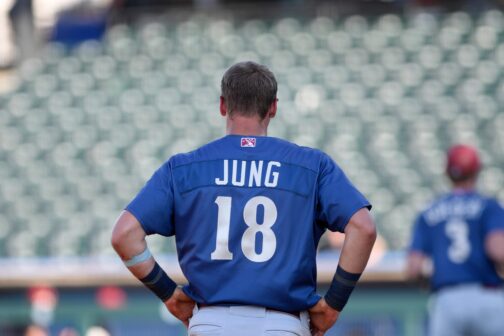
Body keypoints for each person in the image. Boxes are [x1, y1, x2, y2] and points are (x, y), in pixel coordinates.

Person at [111, 61, 376, 336]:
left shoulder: (184, 167)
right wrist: (333, 304)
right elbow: (363, 227)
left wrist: (169, 294)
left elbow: (124, 234)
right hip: (282, 324)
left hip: (210, 322)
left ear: (223, 106)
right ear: (273, 107)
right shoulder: (311, 165)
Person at [407, 144, 504, 336]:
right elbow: (498, 250)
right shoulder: (489, 206)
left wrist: (429, 280)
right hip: (486, 295)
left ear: (447, 173)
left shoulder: (429, 211)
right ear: (477, 171)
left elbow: (413, 267)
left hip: (447, 298)